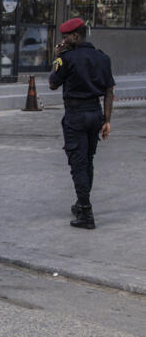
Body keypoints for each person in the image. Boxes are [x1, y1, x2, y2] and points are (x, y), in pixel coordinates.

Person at [48, 18, 114, 230]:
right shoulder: (103, 58)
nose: (64, 41)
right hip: (95, 114)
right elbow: (109, 91)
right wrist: (107, 121)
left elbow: (52, 83)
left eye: (66, 37)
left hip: (76, 115)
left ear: (76, 36)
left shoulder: (66, 59)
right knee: (87, 160)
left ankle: (86, 212)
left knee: (78, 163)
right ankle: (81, 203)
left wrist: (57, 57)